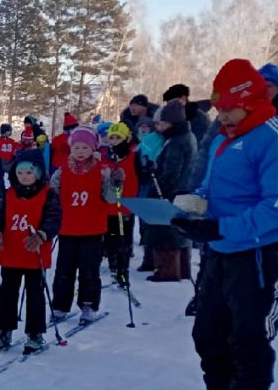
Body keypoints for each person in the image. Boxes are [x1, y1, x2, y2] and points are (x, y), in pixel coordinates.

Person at [171, 59, 278, 390]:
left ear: (253, 101)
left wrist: (222, 227)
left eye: (228, 108)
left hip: (259, 251)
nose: (220, 115)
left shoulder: (277, 136)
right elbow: (210, 188)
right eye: (219, 107)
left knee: (249, 337)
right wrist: (192, 210)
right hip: (220, 249)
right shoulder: (227, 137)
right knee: (208, 333)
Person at [0, 154, 62, 354]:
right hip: (11, 252)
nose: (25, 176)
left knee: (35, 295)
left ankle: (35, 333)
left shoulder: (48, 194)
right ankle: (5, 331)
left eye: (29, 172)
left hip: (34, 253)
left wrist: (42, 234)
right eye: (20, 172)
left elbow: (54, 219)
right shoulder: (9, 193)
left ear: (37, 173)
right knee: (7, 294)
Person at [49, 125, 121, 323]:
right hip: (68, 228)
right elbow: (51, 194)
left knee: (89, 269)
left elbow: (110, 198)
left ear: (93, 149)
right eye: (76, 148)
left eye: (85, 148)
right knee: (64, 269)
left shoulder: (102, 171)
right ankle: (60, 305)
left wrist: (116, 184)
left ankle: (88, 304)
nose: (80, 152)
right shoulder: (62, 171)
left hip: (93, 229)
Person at [146, 98, 197, 282]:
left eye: (162, 122)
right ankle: (182, 268)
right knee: (181, 232)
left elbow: (171, 171)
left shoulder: (176, 141)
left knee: (165, 233)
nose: (159, 127)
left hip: (171, 192)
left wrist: (157, 181)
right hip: (184, 190)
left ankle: (167, 271)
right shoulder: (187, 136)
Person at [102, 121, 140, 287]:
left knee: (124, 243)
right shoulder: (106, 156)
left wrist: (148, 169)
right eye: (112, 137)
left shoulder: (133, 155)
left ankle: (123, 274)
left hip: (126, 206)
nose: (115, 140)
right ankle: (113, 267)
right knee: (111, 240)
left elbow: (142, 176)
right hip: (109, 206)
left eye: (118, 137)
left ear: (126, 138)